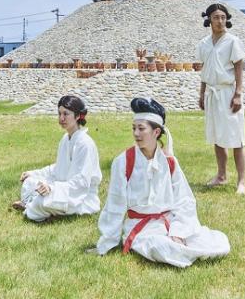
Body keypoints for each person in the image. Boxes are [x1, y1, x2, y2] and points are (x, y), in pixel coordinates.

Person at [87, 98, 230, 267]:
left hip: (168, 224)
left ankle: (181, 247)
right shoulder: (123, 161)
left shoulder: (169, 162)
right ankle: (179, 251)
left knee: (219, 241)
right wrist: (105, 243)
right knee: (161, 248)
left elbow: (184, 200)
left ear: (156, 132)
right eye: (134, 128)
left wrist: (178, 232)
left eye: (141, 129)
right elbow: (115, 205)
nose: (136, 134)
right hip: (142, 229)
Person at [12, 95, 102, 222]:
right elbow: (58, 168)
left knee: (42, 202)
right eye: (59, 113)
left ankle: (31, 206)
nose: (61, 118)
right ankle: (32, 205)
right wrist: (34, 173)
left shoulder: (85, 144)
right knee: (30, 182)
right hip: (62, 189)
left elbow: (81, 183)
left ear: (77, 116)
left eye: (66, 114)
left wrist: (53, 188)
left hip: (81, 198)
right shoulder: (65, 139)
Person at [195, 3, 245, 195]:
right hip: (211, 93)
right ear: (209, 19)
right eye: (216, 17)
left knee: (237, 137)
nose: (220, 21)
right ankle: (221, 175)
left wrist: (238, 94)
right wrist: (202, 93)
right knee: (217, 137)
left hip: (228, 93)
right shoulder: (203, 44)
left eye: (223, 17)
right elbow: (204, 70)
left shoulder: (232, 41)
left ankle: (241, 182)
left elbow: (239, 68)